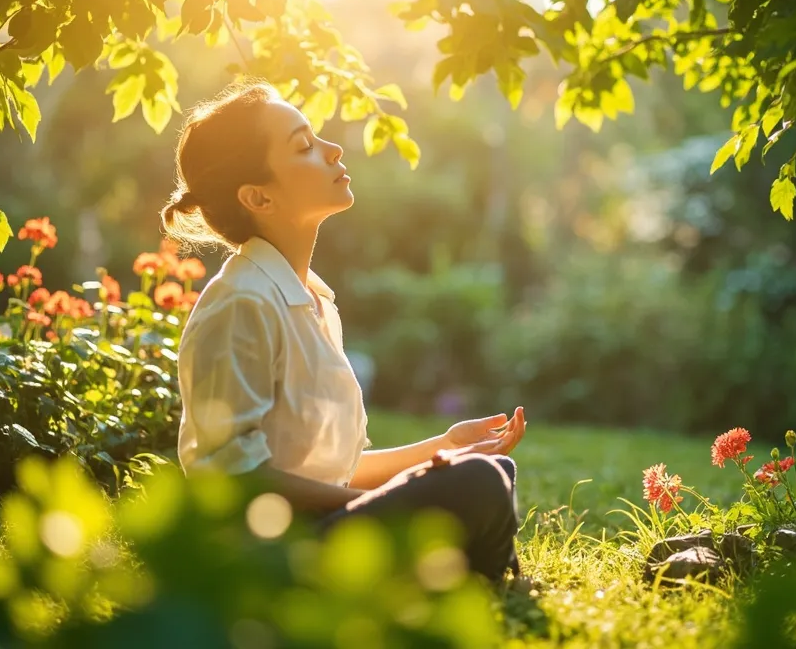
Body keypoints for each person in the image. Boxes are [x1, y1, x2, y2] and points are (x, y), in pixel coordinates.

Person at [160, 79, 528, 583]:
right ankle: (451, 566)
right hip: (273, 556)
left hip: (327, 529)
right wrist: (382, 502)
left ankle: (449, 565)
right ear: (259, 197)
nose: (333, 150)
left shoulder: (312, 299)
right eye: (305, 146)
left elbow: (332, 473)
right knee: (477, 486)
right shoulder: (241, 302)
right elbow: (234, 478)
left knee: (489, 472)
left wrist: (441, 446)